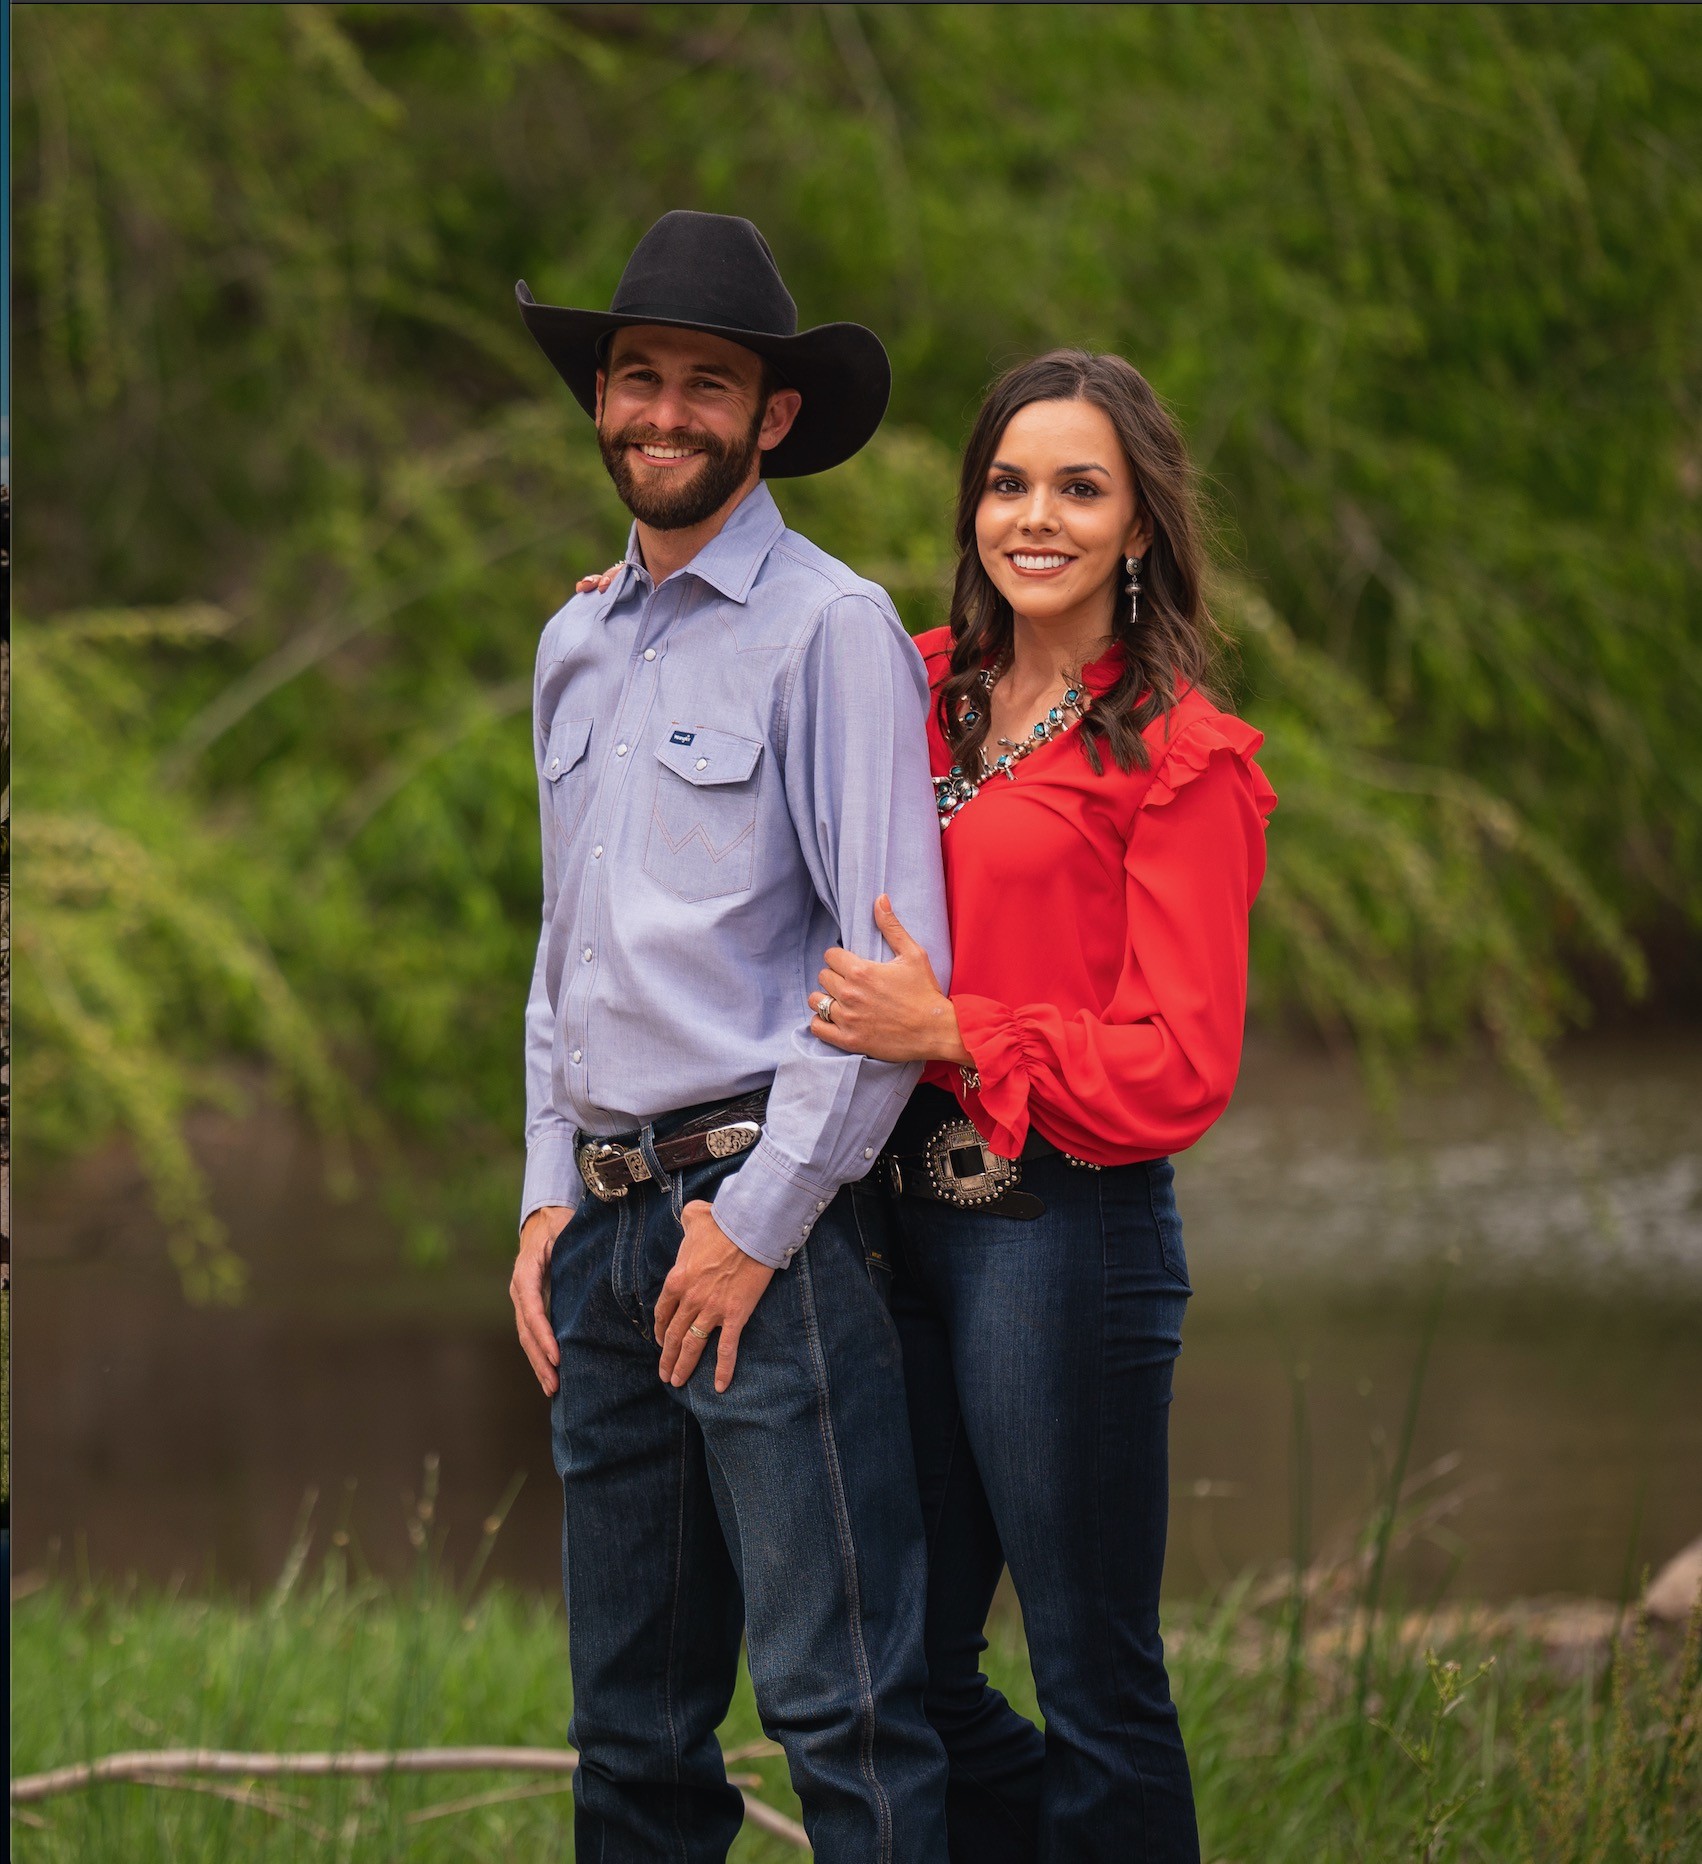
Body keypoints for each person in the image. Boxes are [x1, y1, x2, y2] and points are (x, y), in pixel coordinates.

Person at [507, 210, 952, 1863]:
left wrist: (755, 1229)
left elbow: (887, 969)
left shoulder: (832, 631)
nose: (663, 412)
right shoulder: (572, 645)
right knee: (628, 1739)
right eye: (637, 377)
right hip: (603, 1240)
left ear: (773, 419)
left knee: (844, 1712)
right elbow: (567, 953)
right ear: (601, 399)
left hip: (760, 1228)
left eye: (709, 384)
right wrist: (545, 1196)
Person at [807, 350, 1278, 1861]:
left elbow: (1178, 1065)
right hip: (893, 1234)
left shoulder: (1176, 757)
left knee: (1093, 1682)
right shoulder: (919, 682)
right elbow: (772, 690)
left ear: (1138, 529)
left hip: (1058, 1244)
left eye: (1080, 488)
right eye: (1009, 482)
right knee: (909, 1673)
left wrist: (952, 1025)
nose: (1036, 516)